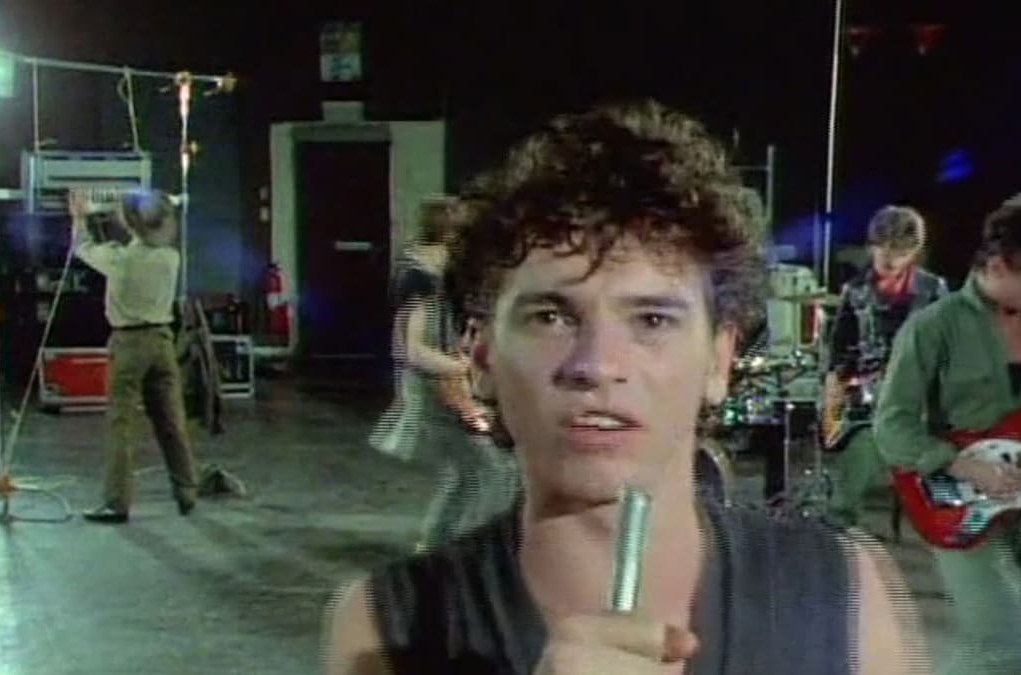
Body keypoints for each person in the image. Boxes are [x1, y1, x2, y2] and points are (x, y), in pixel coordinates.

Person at [325, 101, 928, 674]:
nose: (597, 364)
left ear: (719, 360)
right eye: (551, 316)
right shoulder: (387, 630)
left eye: (652, 320)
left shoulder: (844, 595)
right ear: (479, 356)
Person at [874, 192, 1021, 674]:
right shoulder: (933, 328)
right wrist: (961, 464)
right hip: (962, 507)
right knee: (1006, 648)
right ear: (998, 265)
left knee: (1017, 652)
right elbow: (891, 425)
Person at [368, 195, 519, 551]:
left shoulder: (442, 275)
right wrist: (466, 365)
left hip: (447, 383)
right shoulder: (420, 279)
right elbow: (411, 349)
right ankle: (469, 547)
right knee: (492, 469)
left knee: (469, 473)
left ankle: (440, 545)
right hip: (435, 389)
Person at [69, 188, 198, 523]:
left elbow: (81, 248)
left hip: (129, 345)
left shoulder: (120, 258)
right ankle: (187, 491)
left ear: (131, 224)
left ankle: (116, 502)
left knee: (121, 424)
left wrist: (80, 217)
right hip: (163, 342)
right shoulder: (171, 258)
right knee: (171, 422)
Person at [823, 205, 949, 529]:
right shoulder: (856, 291)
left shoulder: (933, 291)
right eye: (884, 249)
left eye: (900, 252)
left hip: (919, 403)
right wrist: (833, 403)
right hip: (870, 404)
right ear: (872, 246)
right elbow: (838, 353)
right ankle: (839, 526)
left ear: (914, 253)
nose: (890, 259)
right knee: (863, 447)